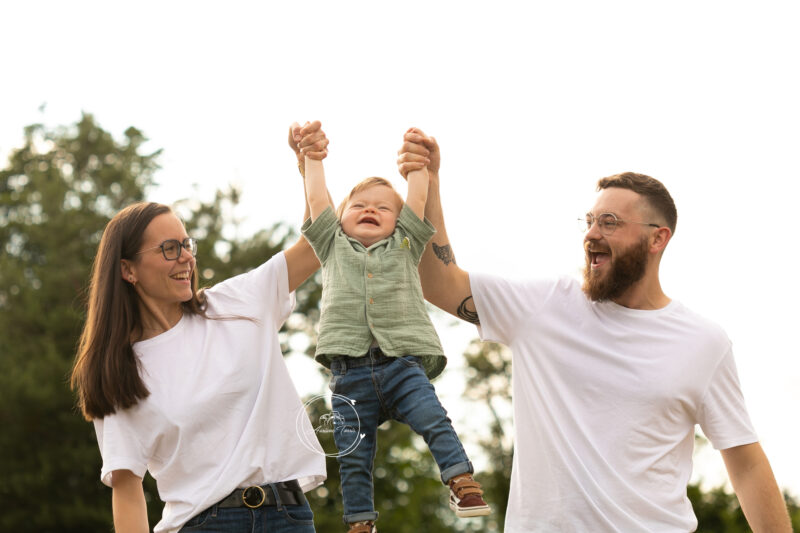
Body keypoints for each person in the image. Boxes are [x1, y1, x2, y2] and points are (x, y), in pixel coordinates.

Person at [396, 129, 792, 532]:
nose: (591, 234)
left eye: (610, 222)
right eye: (589, 221)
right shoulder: (544, 306)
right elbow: (439, 283)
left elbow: (745, 463)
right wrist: (429, 186)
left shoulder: (703, 343)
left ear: (658, 238)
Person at [69, 122, 331, 533]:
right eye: (168, 249)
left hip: (288, 517)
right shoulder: (119, 371)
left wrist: (309, 167)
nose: (185, 258)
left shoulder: (238, 302)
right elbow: (126, 487)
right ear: (128, 270)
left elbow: (317, 244)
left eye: (186, 245)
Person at [293, 122, 490, 533]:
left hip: (402, 366)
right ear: (339, 217)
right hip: (349, 376)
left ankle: (460, 479)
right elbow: (315, 197)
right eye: (359, 205)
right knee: (353, 457)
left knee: (434, 419)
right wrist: (312, 156)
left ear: (400, 223)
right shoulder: (330, 243)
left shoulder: (406, 244)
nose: (371, 210)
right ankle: (360, 522)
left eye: (384, 208)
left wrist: (418, 163)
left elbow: (417, 200)